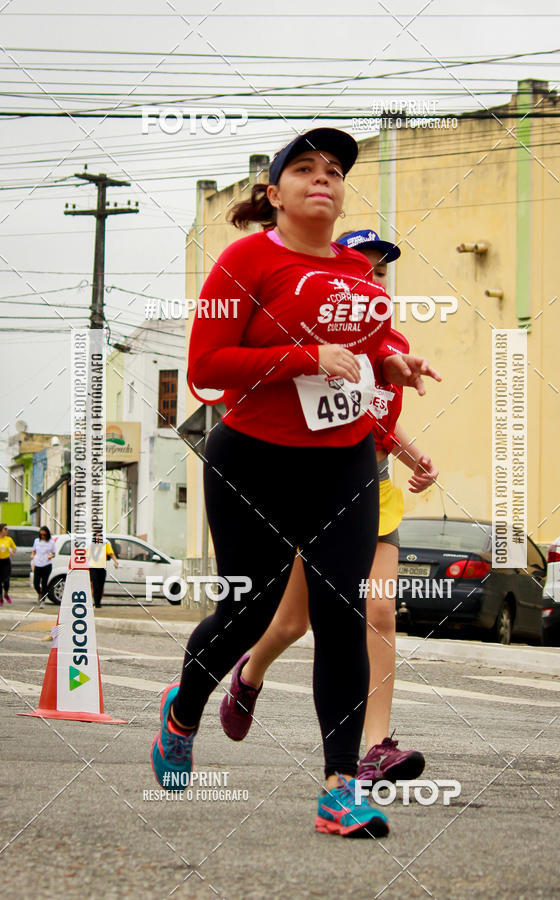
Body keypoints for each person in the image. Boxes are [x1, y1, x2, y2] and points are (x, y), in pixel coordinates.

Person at [151, 127, 441, 838]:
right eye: (304, 168)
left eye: (335, 170)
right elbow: (206, 367)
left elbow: (371, 342)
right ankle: (183, 711)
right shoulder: (246, 258)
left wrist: (394, 365)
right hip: (253, 458)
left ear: (342, 195)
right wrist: (303, 356)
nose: (323, 177)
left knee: (343, 614)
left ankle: (339, 788)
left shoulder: (353, 269)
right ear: (274, 193)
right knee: (248, 612)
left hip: (342, 460)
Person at [219, 229, 438, 786]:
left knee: (381, 611)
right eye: (361, 270)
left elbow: (380, 421)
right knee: (294, 621)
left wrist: (417, 457)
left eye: (381, 273)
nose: (372, 280)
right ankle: (250, 673)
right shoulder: (311, 337)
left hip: (374, 483)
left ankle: (376, 748)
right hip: (318, 482)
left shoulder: (391, 345)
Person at [88, 534, 119, 608]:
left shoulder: (105, 545)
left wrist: (115, 562)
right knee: (95, 585)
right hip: (93, 568)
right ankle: (95, 603)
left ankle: (98, 602)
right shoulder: (91, 545)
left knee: (101, 586)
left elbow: (111, 554)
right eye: (97, 537)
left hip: (102, 568)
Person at [30, 525, 56, 603]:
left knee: (44, 582)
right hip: (38, 563)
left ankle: (43, 599)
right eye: (41, 535)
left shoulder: (51, 542)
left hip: (47, 564)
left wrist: (50, 556)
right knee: (36, 583)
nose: (43, 536)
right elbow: (34, 550)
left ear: (47, 534)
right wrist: (32, 555)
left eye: (44, 535)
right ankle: (40, 593)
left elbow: (54, 553)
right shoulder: (36, 541)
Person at [0, 523, 16, 605]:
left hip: (6, 561)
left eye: (7, 529)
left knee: (6, 580)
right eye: (5, 529)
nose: (7, 531)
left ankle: (6, 593)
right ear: (1, 530)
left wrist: (12, 551)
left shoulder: (8, 539)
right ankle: (0, 597)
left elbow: (14, 548)